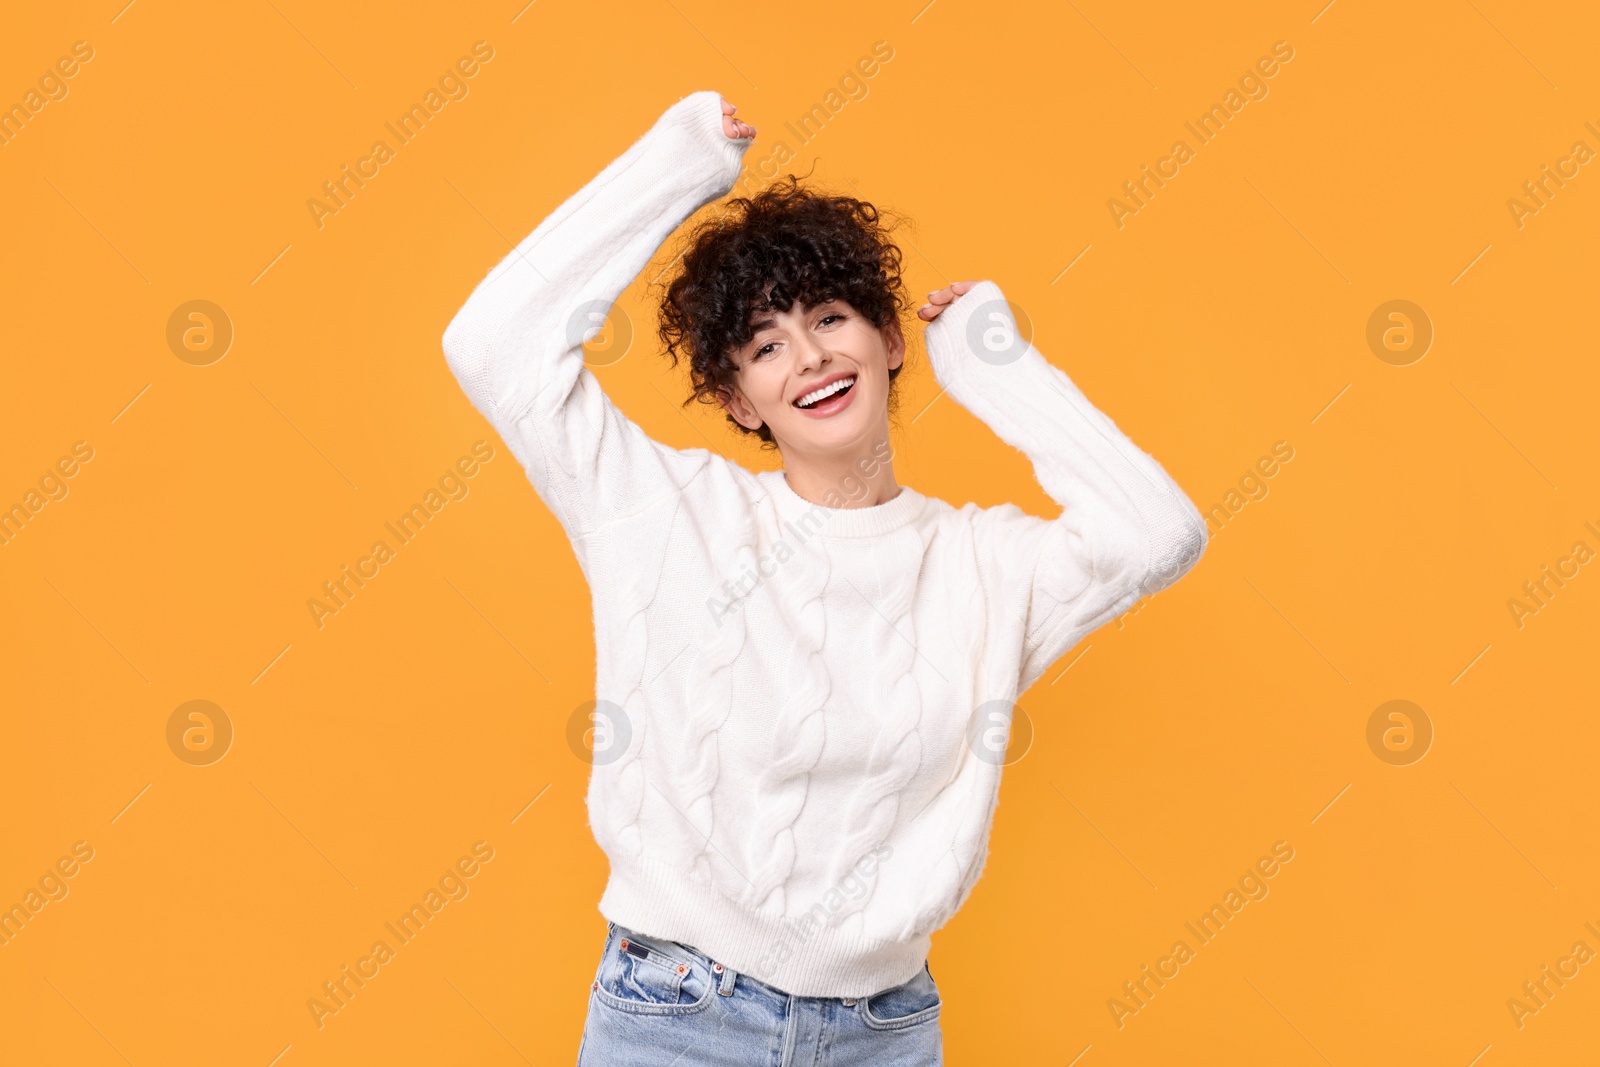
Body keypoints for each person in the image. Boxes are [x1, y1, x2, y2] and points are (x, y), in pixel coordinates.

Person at [442, 89, 1207, 1066]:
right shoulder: (664, 512)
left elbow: (1158, 532)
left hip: (879, 1031)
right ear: (738, 399)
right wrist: (678, 164)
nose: (808, 357)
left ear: (888, 341)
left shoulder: (983, 568)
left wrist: (997, 369)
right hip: (679, 1019)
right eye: (766, 345)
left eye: (831, 318)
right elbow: (489, 343)